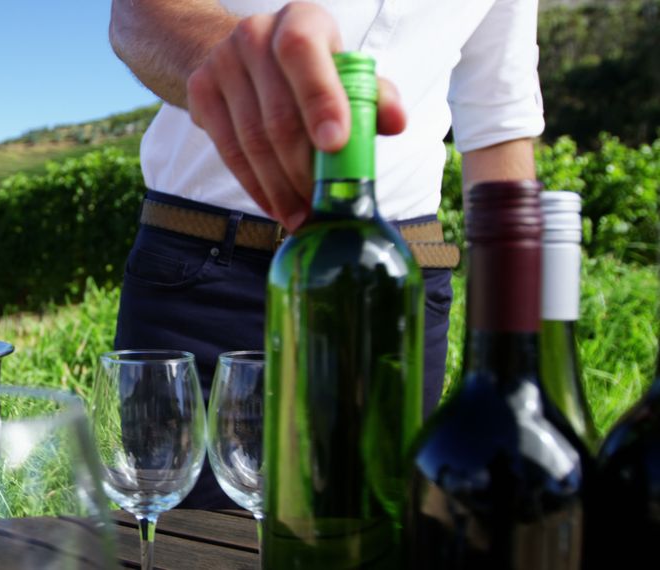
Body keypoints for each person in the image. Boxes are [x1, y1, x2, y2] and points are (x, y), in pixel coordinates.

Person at [108, 0, 545, 508]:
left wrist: (518, 357)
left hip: (396, 288)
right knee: (190, 543)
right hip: (201, 279)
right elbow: (137, 12)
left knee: (376, 532)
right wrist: (237, 61)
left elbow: (500, 120)